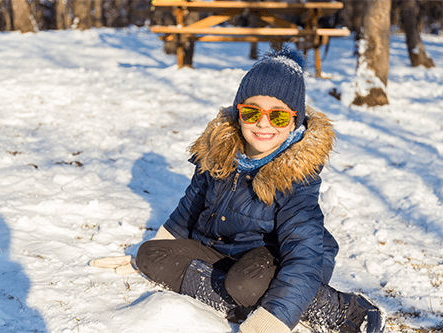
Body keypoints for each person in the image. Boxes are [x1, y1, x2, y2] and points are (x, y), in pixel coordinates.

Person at [90, 48, 386, 333]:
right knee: (149, 256)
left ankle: (343, 309)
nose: (263, 123)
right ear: (238, 112)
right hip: (221, 252)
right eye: (252, 112)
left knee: (246, 285)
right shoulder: (219, 152)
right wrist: (156, 252)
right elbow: (190, 207)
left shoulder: (296, 176)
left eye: (278, 116)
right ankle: (246, 302)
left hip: (277, 259)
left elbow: (304, 254)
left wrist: (273, 322)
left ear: (294, 120)